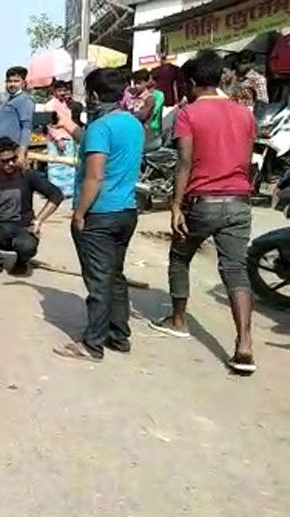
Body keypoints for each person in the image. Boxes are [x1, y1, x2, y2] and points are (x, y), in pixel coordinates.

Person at [149, 50, 258, 374]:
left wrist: (175, 205)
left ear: (193, 82)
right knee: (236, 270)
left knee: (180, 257)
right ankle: (244, 342)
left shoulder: (189, 113)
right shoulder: (244, 114)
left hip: (203, 202)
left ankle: (178, 319)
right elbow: (247, 161)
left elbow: (184, 162)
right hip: (239, 200)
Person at [52, 68, 144, 361]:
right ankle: (119, 334)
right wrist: (69, 126)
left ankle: (92, 344)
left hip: (100, 213)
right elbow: (98, 146)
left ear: (93, 95)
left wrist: (79, 213)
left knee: (98, 280)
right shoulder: (132, 123)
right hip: (126, 211)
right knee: (114, 275)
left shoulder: (100, 128)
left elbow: (95, 177)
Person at [0, 137, 63, 275]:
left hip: (22, 230)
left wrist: (38, 220)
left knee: (27, 246)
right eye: (5, 161)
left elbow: (56, 195)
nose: (11, 164)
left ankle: (21, 262)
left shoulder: (27, 175)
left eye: (13, 159)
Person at [0, 66, 35, 169]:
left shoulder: (25, 100)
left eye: (16, 81)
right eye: (9, 81)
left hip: (13, 153)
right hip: (1, 151)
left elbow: (26, 127)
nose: (12, 84)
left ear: (23, 83)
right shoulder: (7, 101)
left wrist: (21, 152)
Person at [45, 80, 77, 197]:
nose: (62, 93)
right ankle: (56, 192)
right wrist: (58, 138)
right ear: (54, 91)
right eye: (59, 90)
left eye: (64, 90)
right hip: (56, 140)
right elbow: (49, 124)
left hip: (69, 138)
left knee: (69, 165)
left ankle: (68, 191)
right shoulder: (50, 105)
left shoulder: (66, 104)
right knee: (56, 165)